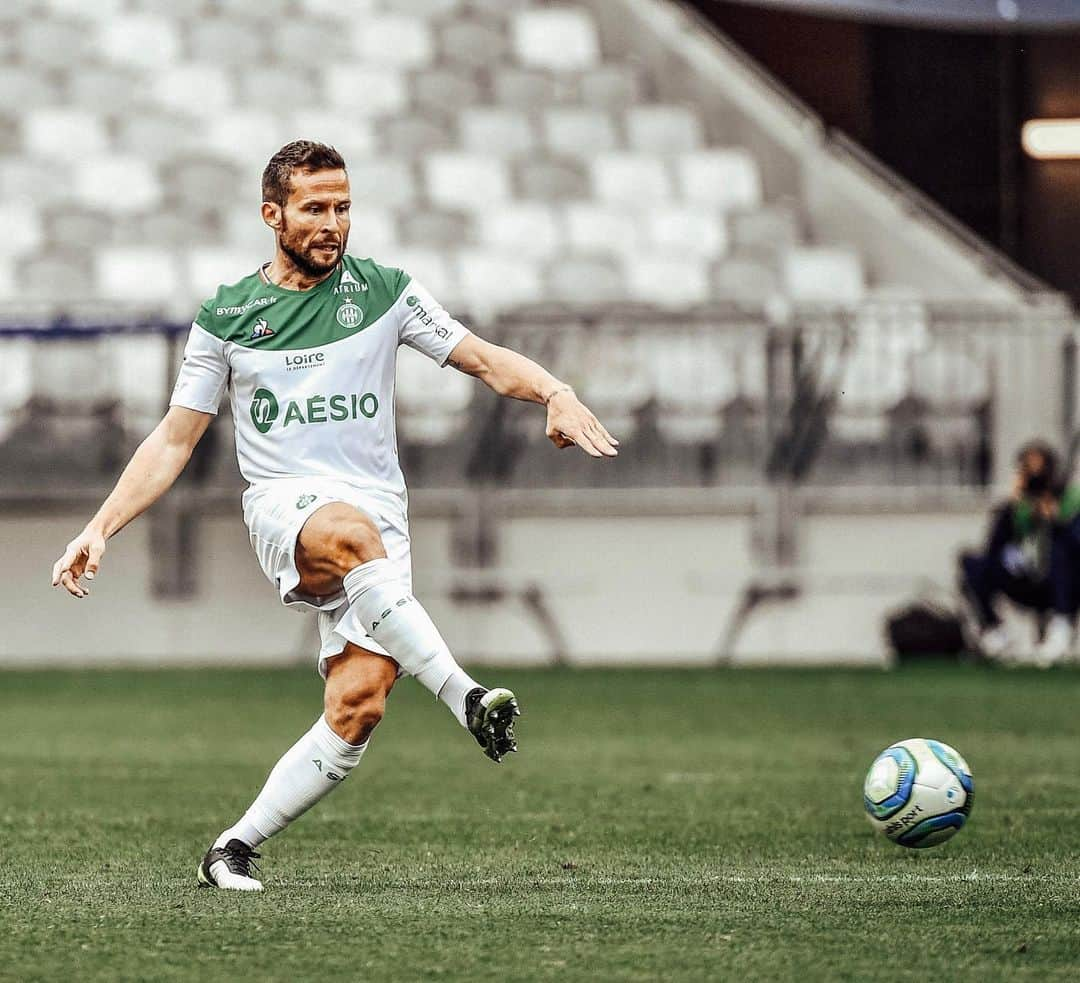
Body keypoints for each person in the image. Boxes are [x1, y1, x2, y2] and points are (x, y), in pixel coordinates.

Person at [50, 141, 619, 891]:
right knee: (347, 529)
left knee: (358, 706)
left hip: (378, 514)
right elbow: (176, 436)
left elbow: (481, 359)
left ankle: (231, 847)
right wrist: (100, 525)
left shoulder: (385, 292)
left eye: (343, 207)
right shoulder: (227, 314)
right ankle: (468, 696)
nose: (332, 223)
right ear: (272, 214)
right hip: (286, 504)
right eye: (315, 208)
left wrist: (555, 390)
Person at [960, 439, 1080, 665]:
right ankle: (995, 634)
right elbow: (992, 548)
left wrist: (1056, 521)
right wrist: (1009, 511)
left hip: (1063, 583)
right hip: (1024, 579)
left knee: (1061, 551)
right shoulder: (1018, 507)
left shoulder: (1072, 501)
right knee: (972, 563)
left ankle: (1061, 630)